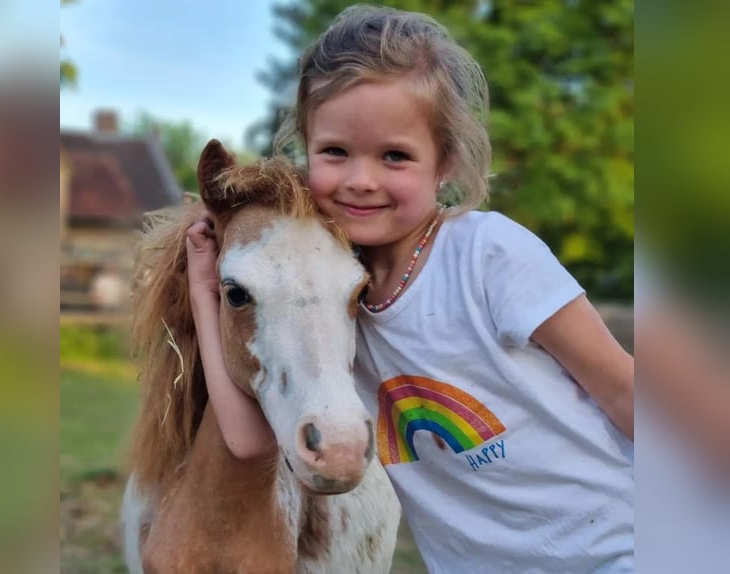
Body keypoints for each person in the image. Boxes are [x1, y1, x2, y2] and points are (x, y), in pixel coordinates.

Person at [187, 5, 634, 573]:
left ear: (443, 162)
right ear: (306, 149)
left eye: (394, 155)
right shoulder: (333, 301)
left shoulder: (490, 255)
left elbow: (624, 391)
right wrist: (207, 288)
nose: (360, 179)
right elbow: (248, 442)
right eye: (335, 152)